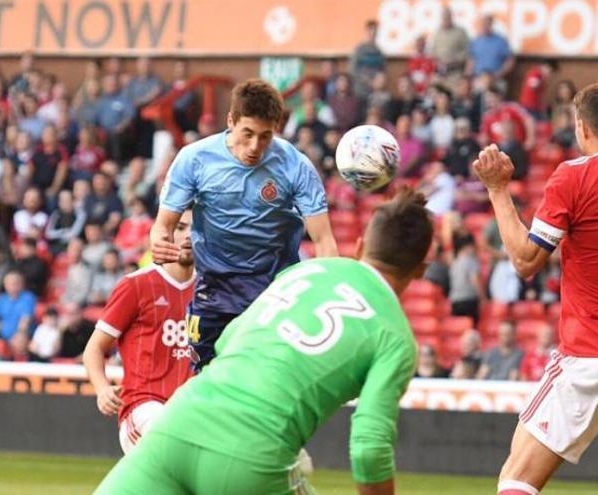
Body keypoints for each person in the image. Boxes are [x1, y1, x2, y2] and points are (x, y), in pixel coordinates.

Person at [96, 188, 433, 495]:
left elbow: (228, 340)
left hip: (179, 422)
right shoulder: (395, 337)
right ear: (421, 269)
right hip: (251, 454)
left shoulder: (303, 272)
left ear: (360, 246)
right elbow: (369, 446)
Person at [473, 82, 598, 494]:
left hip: (590, 355)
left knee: (517, 477)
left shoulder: (574, 176)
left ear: (582, 127)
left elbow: (527, 261)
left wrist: (496, 190)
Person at [151, 79, 338, 371]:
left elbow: (324, 240)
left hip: (274, 292)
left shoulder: (296, 166)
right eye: (247, 133)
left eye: (265, 136)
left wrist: (329, 290)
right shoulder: (194, 159)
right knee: (207, 384)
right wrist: (160, 242)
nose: (254, 146)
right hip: (214, 289)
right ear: (230, 121)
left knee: (266, 384)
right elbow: (163, 226)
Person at [83, 210, 196, 454]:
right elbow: (95, 347)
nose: (188, 236)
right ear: (164, 233)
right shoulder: (136, 285)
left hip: (193, 411)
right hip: (144, 407)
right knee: (169, 440)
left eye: (195, 229)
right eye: (180, 227)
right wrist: (102, 389)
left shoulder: (214, 290)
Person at [468, 15, 514, 80]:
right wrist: (468, 76)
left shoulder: (500, 41)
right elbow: (471, 60)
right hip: (477, 77)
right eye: (482, 24)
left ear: (491, 25)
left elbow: (510, 61)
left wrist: (499, 74)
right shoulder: (476, 41)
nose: (484, 26)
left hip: (495, 78)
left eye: (487, 24)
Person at [350, 20, 386, 97]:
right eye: (371, 30)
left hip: (375, 92)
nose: (373, 33)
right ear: (367, 31)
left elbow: (383, 71)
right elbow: (352, 69)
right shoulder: (359, 49)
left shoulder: (380, 52)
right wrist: (368, 81)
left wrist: (379, 81)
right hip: (360, 91)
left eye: (375, 30)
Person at [430, 6, 470, 75]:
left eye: (447, 17)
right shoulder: (438, 32)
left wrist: (455, 60)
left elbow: (468, 50)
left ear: (451, 17)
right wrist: (437, 61)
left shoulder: (460, 32)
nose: (445, 19)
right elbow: (434, 50)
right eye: (444, 17)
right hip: (440, 71)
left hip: (455, 71)